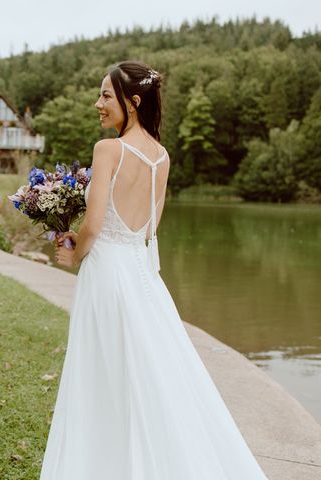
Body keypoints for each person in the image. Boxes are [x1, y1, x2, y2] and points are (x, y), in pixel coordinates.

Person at [40, 61, 269, 479]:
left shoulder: (107, 150)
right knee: (150, 373)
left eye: (106, 96)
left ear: (134, 101)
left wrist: (73, 250)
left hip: (107, 274)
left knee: (103, 374)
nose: (98, 104)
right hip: (141, 274)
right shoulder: (161, 158)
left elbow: (93, 226)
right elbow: (148, 229)